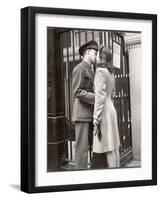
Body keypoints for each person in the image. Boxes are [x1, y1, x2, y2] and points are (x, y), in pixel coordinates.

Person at [72, 40, 98, 169]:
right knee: (81, 150)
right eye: (95, 53)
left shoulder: (91, 70)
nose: (96, 56)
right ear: (87, 52)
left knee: (93, 147)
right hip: (82, 114)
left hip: (90, 113)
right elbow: (77, 92)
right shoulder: (79, 69)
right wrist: (97, 97)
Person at [93, 46, 120, 168]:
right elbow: (112, 93)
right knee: (114, 145)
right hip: (111, 108)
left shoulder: (100, 71)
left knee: (107, 146)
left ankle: (113, 177)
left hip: (104, 110)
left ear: (100, 56)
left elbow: (99, 96)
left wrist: (96, 117)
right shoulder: (111, 72)